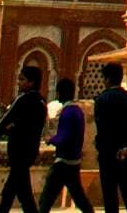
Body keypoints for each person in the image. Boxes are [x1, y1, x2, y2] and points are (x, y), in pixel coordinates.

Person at [0, 65, 47, 213]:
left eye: (22, 79)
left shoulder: (23, 100)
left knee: (15, 190)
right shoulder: (41, 102)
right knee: (20, 191)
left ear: (31, 82)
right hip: (30, 152)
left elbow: (5, 121)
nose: (19, 82)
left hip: (19, 151)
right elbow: (32, 127)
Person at [92, 63, 127, 213]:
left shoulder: (101, 100)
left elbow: (103, 128)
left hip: (107, 154)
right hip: (126, 154)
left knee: (110, 196)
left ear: (107, 79)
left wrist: (108, 147)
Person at [36, 77, 91, 213]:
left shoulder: (67, 112)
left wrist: (51, 139)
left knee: (46, 198)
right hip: (74, 160)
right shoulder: (78, 111)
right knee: (80, 199)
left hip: (63, 162)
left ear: (60, 93)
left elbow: (64, 137)